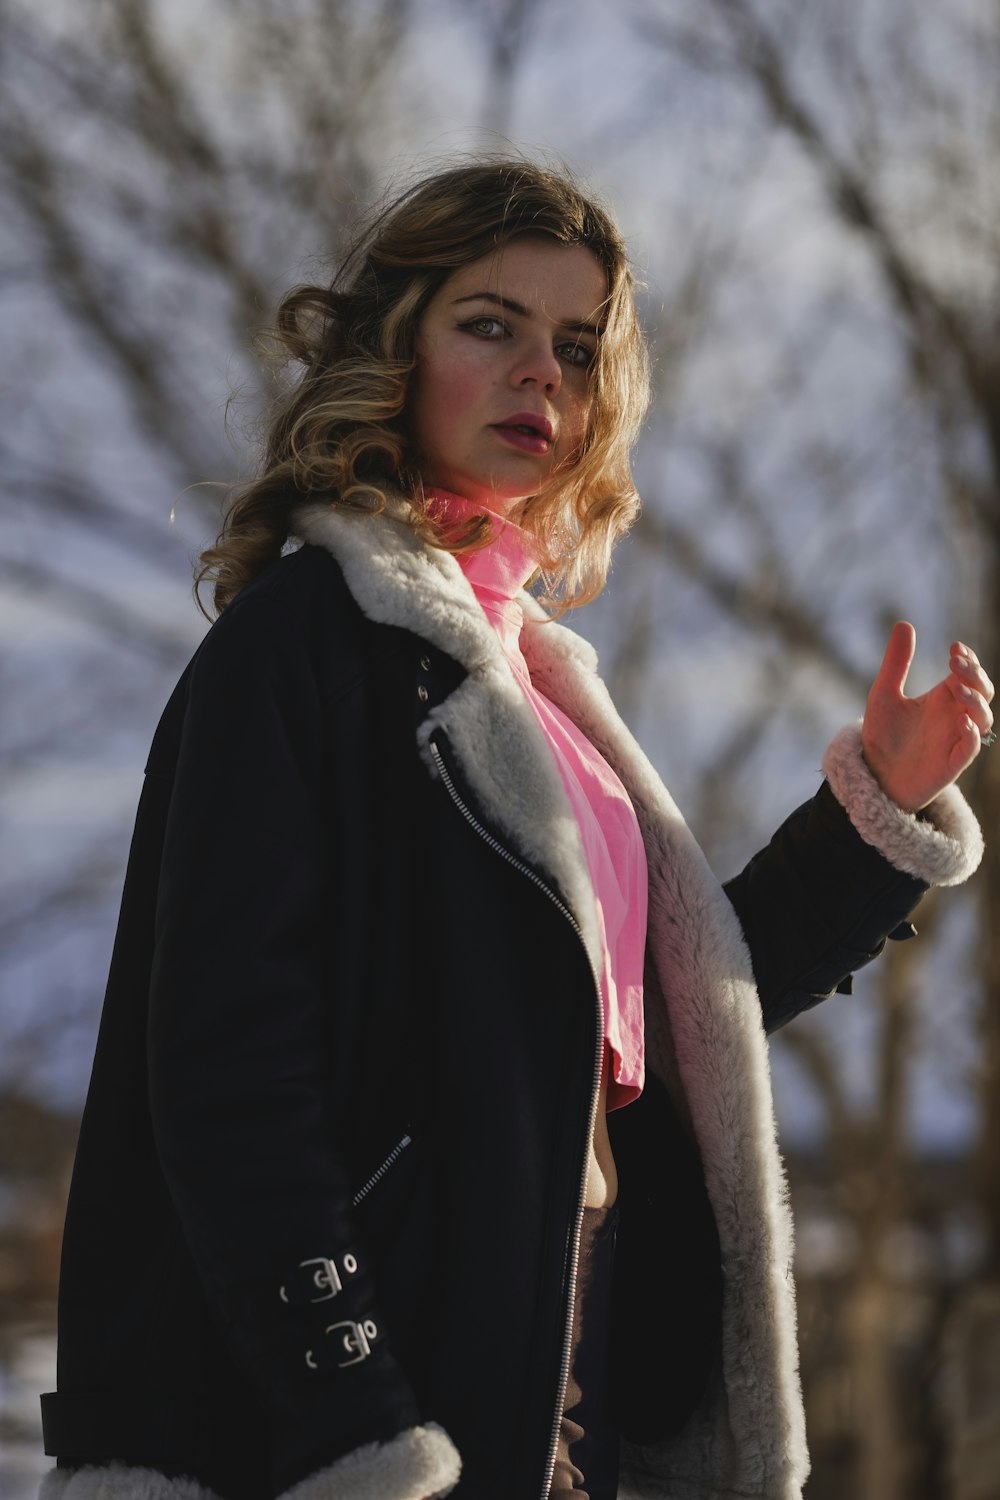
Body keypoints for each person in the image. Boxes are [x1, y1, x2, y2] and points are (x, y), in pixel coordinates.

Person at [39, 159, 991, 1500]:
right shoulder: (301, 649)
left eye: (578, 345)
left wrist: (872, 811)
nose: (541, 371)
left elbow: (672, 1015)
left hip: (574, 1348)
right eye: (490, 324)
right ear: (397, 348)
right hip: (370, 1404)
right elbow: (223, 1073)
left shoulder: (540, 688)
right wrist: (356, 1413)